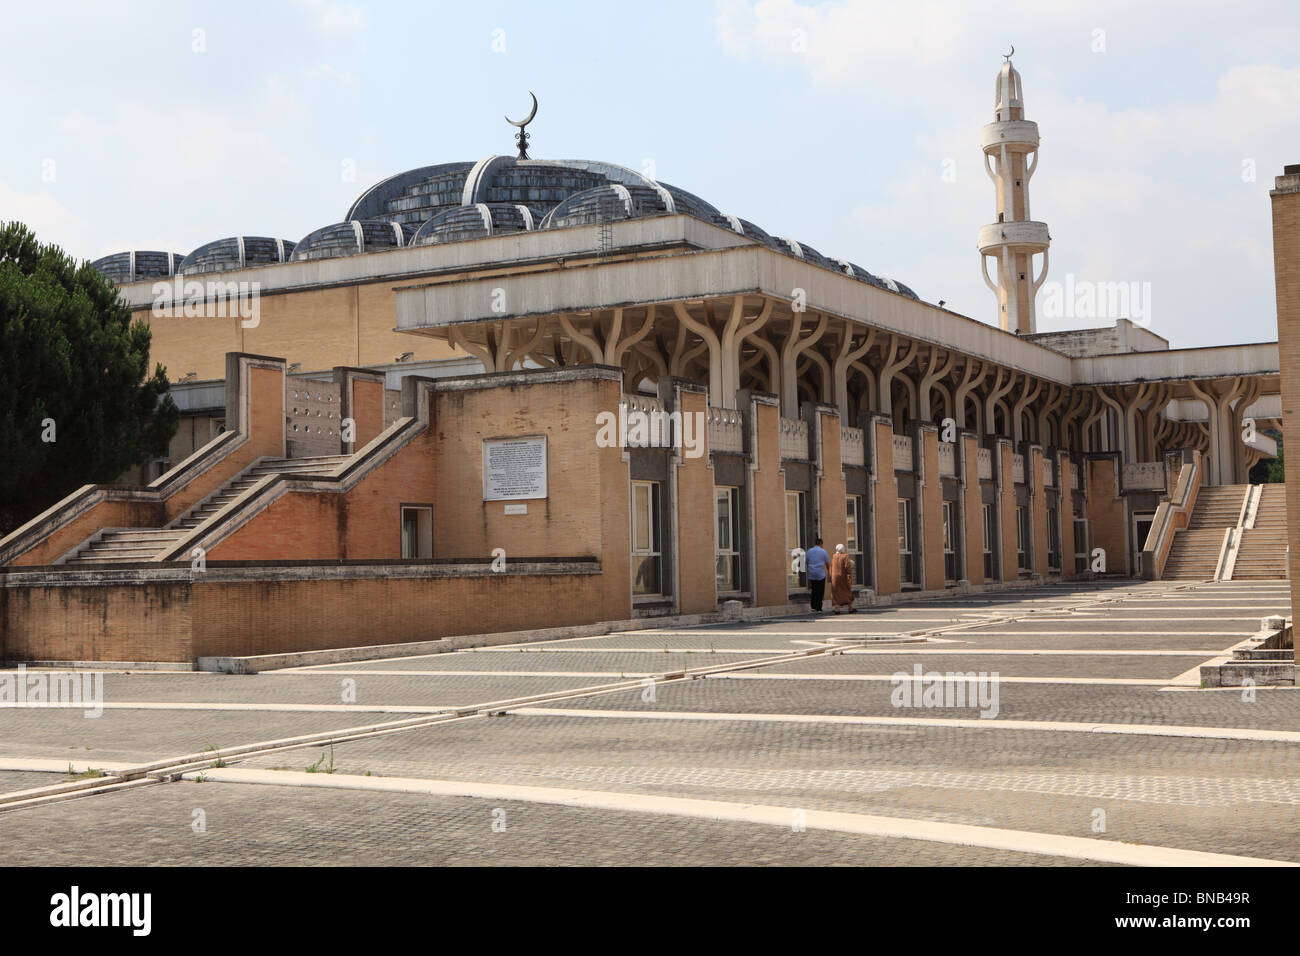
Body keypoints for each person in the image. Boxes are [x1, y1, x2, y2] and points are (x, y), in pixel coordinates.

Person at [829, 543, 856, 614]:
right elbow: (847, 567)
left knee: (836, 592)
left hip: (834, 577)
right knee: (847, 591)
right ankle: (850, 608)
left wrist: (830, 577)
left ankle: (837, 609)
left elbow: (831, 567)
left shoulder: (834, 556)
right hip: (843, 577)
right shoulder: (845, 556)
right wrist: (849, 576)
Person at [805, 538, 830, 613]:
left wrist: (810, 568)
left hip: (812, 573)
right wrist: (829, 571)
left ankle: (813, 607)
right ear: (821, 543)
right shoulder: (823, 551)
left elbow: (806, 561)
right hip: (820, 573)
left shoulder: (809, 551)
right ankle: (819, 608)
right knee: (820, 590)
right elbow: (827, 563)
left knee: (814, 590)